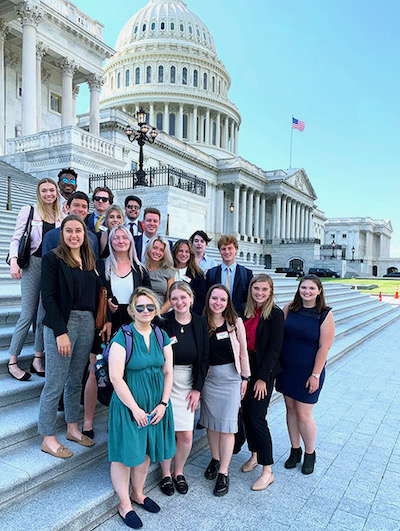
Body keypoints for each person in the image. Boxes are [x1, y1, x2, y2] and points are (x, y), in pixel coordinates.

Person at [38, 215, 107, 458]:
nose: (74, 235)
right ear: (62, 233)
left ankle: (72, 427)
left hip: (87, 323)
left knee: (76, 380)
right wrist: (60, 332)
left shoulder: (90, 260)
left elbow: (97, 293)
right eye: (69, 231)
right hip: (62, 324)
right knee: (55, 381)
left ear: (85, 234)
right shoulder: (52, 259)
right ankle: (47, 436)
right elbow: (48, 298)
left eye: (78, 230)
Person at [108, 287, 175, 529]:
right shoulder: (122, 336)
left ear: (156, 309)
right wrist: (135, 409)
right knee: (124, 455)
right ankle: (124, 503)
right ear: (132, 310)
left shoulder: (161, 335)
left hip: (155, 404)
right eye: (140, 307)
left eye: (150, 307)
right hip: (129, 405)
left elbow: (168, 372)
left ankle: (138, 493)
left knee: (145, 451)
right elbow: (116, 378)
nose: (145, 311)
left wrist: (164, 403)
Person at [82, 225, 151, 439]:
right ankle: (88, 421)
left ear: (130, 241)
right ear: (110, 242)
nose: (120, 241)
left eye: (124, 237)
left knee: (123, 375)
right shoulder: (101, 266)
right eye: (116, 237)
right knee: (96, 371)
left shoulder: (140, 270)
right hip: (105, 325)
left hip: (131, 326)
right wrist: (109, 310)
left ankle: (117, 419)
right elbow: (94, 295)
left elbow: (146, 300)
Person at [276, 274, 335, 475]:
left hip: (309, 371)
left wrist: (315, 375)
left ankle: (310, 453)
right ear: (299, 289)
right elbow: (279, 336)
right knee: (290, 408)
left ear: (319, 291)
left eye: (311, 288)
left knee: (304, 414)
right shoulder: (289, 308)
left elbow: (324, 348)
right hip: (287, 368)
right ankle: (295, 450)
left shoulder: (324, 314)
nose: (307, 292)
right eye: (304, 288)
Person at [156, 281, 209, 496]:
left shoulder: (200, 323)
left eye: (183, 297)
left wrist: (197, 389)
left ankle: (179, 472)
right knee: (167, 432)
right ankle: (165, 474)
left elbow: (204, 358)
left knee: (186, 435)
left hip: (188, 383)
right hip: (165, 381)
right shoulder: (163, 321)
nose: (179, 302)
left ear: (191, 298)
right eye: (174, 298)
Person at [8, 178, 62, 381]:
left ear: (56, 192)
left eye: (51, 190)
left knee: (42, 315)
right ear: (39, 193)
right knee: (27, 314)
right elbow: (16, 238)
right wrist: (14, 261)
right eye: (44, 190)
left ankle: (37, 358)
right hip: (32, 264)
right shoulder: (29, 210)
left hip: (51, 268)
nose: (48, 194)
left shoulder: (60, 216)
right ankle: (13, 360)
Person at [200, 284, 250, 496]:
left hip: (230, 378)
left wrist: (245, 377)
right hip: (209, 379)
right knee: (211, 423)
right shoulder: (201, 322)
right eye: (214, 298)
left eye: (222, 299)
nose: (218, 303)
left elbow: (243, 352)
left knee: (228, 426)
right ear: (208, 300)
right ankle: (215, 458)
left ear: (228, 302)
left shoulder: (235, 322)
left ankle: (223, 472)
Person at [239, 274, 284, 490]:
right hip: (244, 370)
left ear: (270, 291)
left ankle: (268, 470)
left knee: (257, 418)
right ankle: (254, 455)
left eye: (264, 290)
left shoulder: (275, 315)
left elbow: (274, 350)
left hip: (263, 372)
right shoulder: (243, 310)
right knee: (246, 416)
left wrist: (262, 379)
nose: (260, 293)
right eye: (256, 289)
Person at [206, 235, 253, 317]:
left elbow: (248, 299)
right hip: (216, 316)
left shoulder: (246, 274)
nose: (227, 252)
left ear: (236, 249)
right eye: (223, 249)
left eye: (230, 248)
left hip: (239, 317)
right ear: (220, 251)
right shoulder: (211, 273)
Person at [42, 191, 99, 259]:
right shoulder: (50, 236)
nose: (80, 209)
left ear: (87, 211)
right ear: (67, 207)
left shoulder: (92, 238)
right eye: (76, 205)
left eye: (84, 206)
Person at [172, 239, 206, 315]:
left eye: (187, 252)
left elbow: (201, 299)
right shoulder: (167, 270)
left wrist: (191, 314)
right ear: (175, 252)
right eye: (181, 251)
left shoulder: (197, 274)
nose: (184, 254)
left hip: (188, 315)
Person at [144, 236, 175, 314]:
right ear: (149, 248)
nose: (157, 252)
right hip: (142, 313)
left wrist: (157, 314)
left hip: (160, 314)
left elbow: (170, 300)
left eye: (161, 250)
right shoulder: (141, 269)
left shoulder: (169, 271)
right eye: (155, 248)